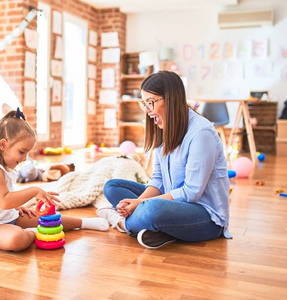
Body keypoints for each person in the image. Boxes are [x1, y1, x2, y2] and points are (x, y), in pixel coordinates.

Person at [98, 71, 231, 249]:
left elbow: (191, 193)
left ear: (171, 99)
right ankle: (161, 230)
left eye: (151, 102)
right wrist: (138, 202)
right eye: (144, 103)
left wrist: (142, 204)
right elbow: (159, 180)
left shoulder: (201, 133)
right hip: (171, 205)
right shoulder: (164, 127)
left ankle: (123, 223)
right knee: (112, 187)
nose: (147, 110)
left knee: (153, 210)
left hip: (205, 217)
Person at [0, 108, 108, 251]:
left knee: (49, 219)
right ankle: (34, 233)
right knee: (17, 240)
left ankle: (85, 222)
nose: (24, 158)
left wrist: (17, 207)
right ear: (3, 145)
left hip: (8, 218)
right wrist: (34, 190)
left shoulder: (4, 168)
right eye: (22, 152)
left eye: (27, 153)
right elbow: (4, 200)